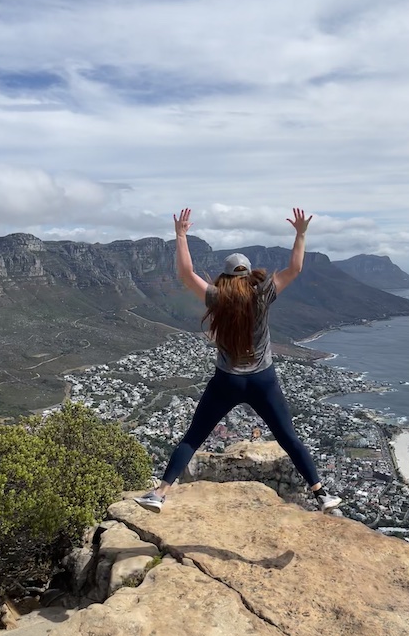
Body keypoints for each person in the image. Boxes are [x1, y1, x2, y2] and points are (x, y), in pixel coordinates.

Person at [134, 208, 342, 514]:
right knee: (288, 436)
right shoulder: (263, 294)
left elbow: (186, 273)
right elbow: (295, 268)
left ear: (227, 275)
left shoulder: (217, 297)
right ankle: (321, 493)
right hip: (263, 380)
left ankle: (160, 493)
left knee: (194, 436)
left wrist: (180, 235)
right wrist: (300, 234)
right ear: (248, 272)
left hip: (227, 382)